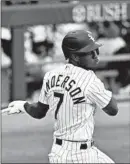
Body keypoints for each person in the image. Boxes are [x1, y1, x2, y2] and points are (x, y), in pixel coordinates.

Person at [3, 30, 118, 163]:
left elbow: (39, 112)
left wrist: (23, 105)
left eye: (96, 50)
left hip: (58, 153)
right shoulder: (90, 80)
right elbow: (113, 109)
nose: (95, 55)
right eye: (89, 52)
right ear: (75, 57)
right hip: (82, 155)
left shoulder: (51, 75)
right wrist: (102, 89)